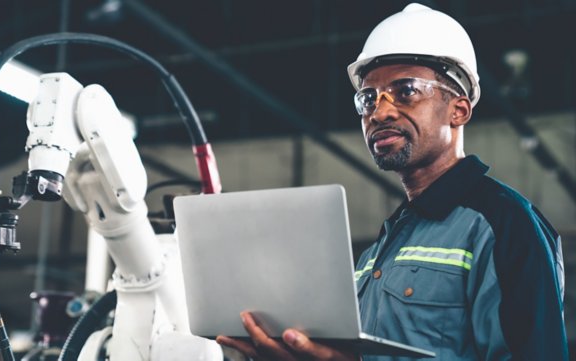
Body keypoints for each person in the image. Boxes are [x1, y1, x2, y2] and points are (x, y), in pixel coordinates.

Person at [216, 3, 569, 360]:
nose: (379, 112)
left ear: (457, 110)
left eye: (406, 91)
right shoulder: (377, 253)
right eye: (368, 98)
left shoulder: (503, 223)